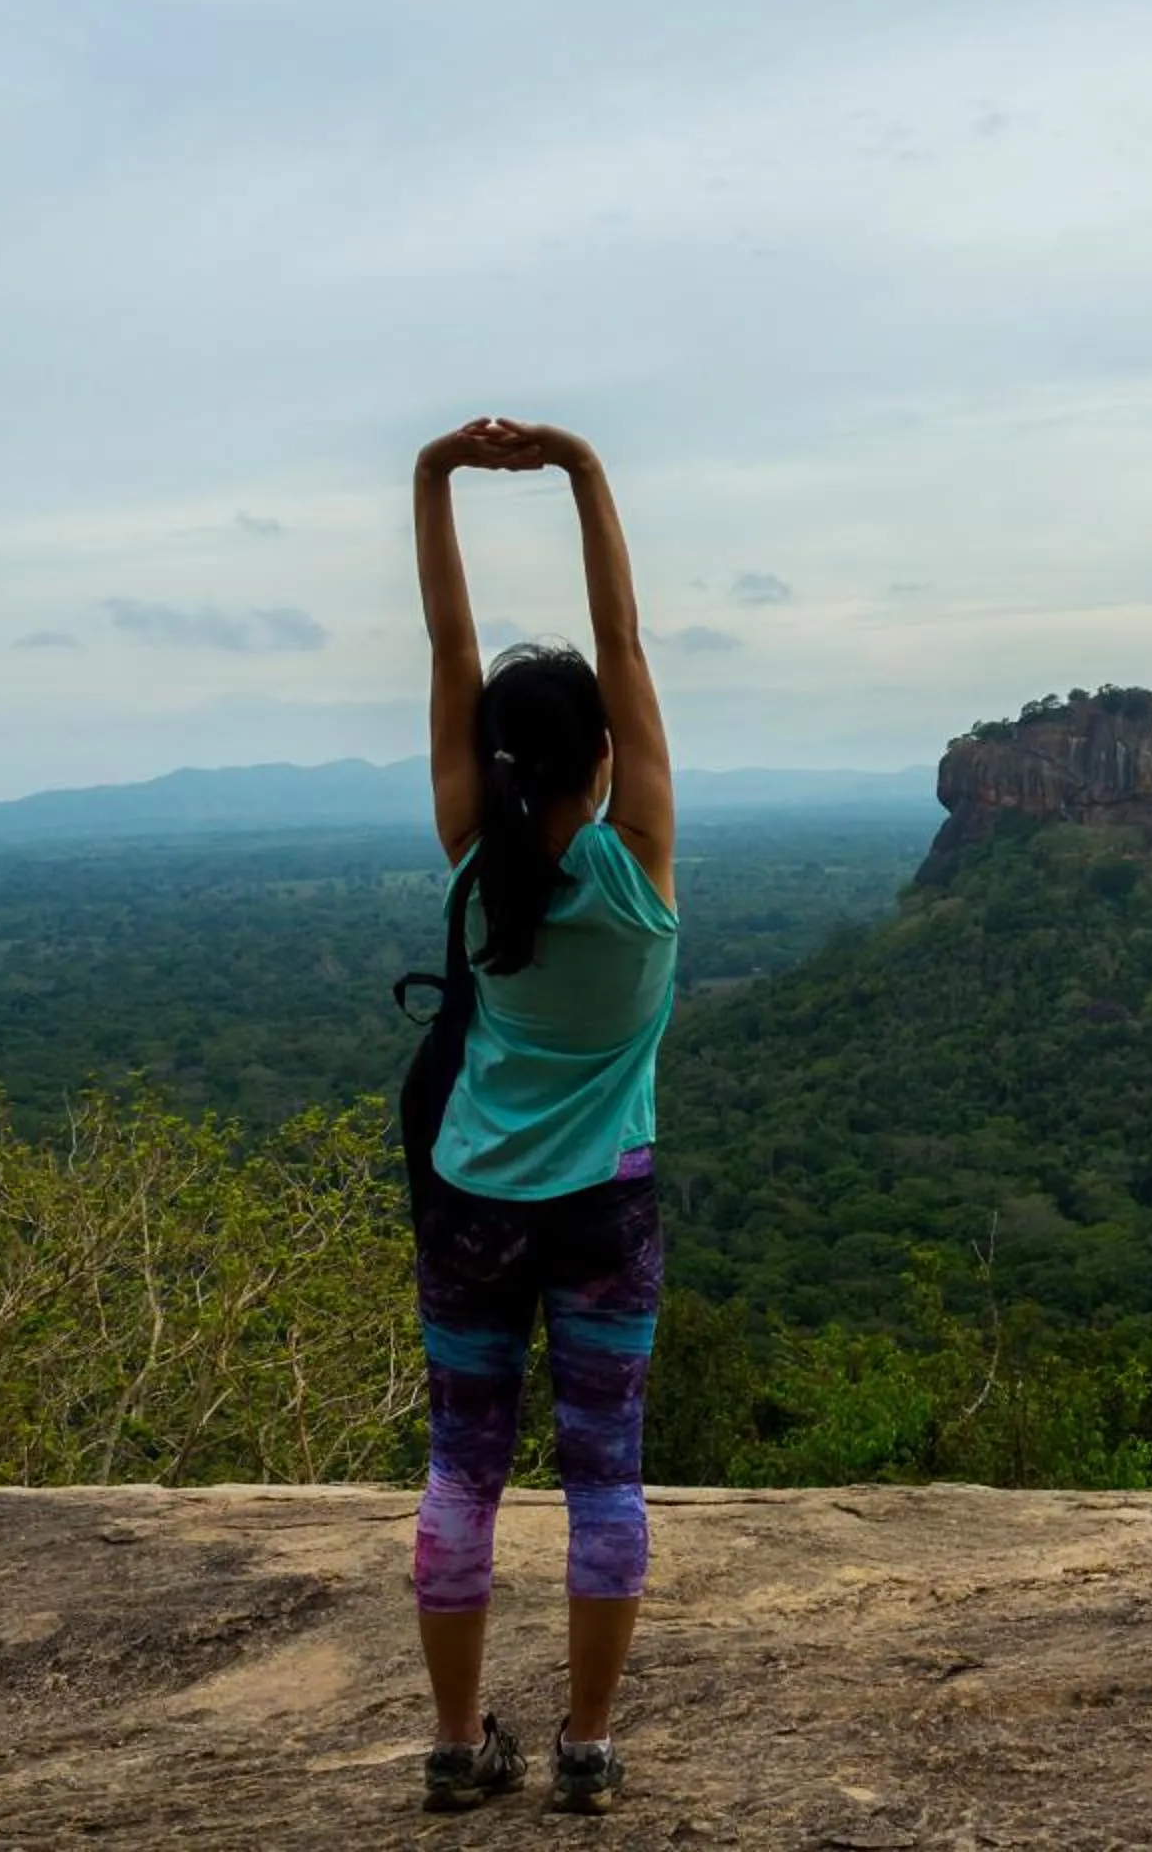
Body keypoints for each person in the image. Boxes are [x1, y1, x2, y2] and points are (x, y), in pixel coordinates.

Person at [405, 416, 679, 1815]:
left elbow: (453, 658)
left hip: (472, 1201)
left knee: (464, 1471)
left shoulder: (474, 858)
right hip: (605, 1206)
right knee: (605, 1478)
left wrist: (433, 476)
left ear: (497, 765)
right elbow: (622, 642)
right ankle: (584, 1746)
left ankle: (457, 1748)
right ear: (609, 759)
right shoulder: (637, 871)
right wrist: (580, 469)